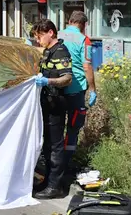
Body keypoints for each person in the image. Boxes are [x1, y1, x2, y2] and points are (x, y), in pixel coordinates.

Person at [33, 19, 74, 199]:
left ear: (50, 32)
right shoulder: (48, 52)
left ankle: (55, 186)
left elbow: (67, 78)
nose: (38, 40)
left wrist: (48, 81)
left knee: (56, 145)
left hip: (57, 104)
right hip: (47, 103)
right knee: (47, 143)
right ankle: (49, 180)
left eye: (40, 36)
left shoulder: (60, 52)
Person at [58, 11, 98, 186]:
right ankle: (66, 164)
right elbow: (87, 65)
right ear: (83, 24)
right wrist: (93, 88)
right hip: (76, 88)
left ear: (69, 21)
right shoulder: (84, 39)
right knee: (73, 127)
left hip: (58, 87)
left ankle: (54, 163)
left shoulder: (58, 35)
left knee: (57, 126)